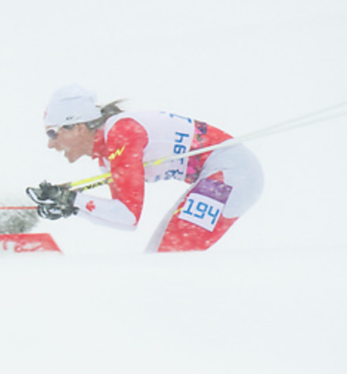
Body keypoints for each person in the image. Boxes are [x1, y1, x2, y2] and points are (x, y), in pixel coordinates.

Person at [28, 85, 263, 252]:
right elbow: (124, 220)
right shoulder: (108, 155)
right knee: (157, 259)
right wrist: (72, 206)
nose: (50, 143)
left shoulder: (121, 134)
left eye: (53, 133)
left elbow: (128, 215)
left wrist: (73, 199)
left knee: (170, 257)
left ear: (78, 127)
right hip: (222, 175)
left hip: (233, 172)